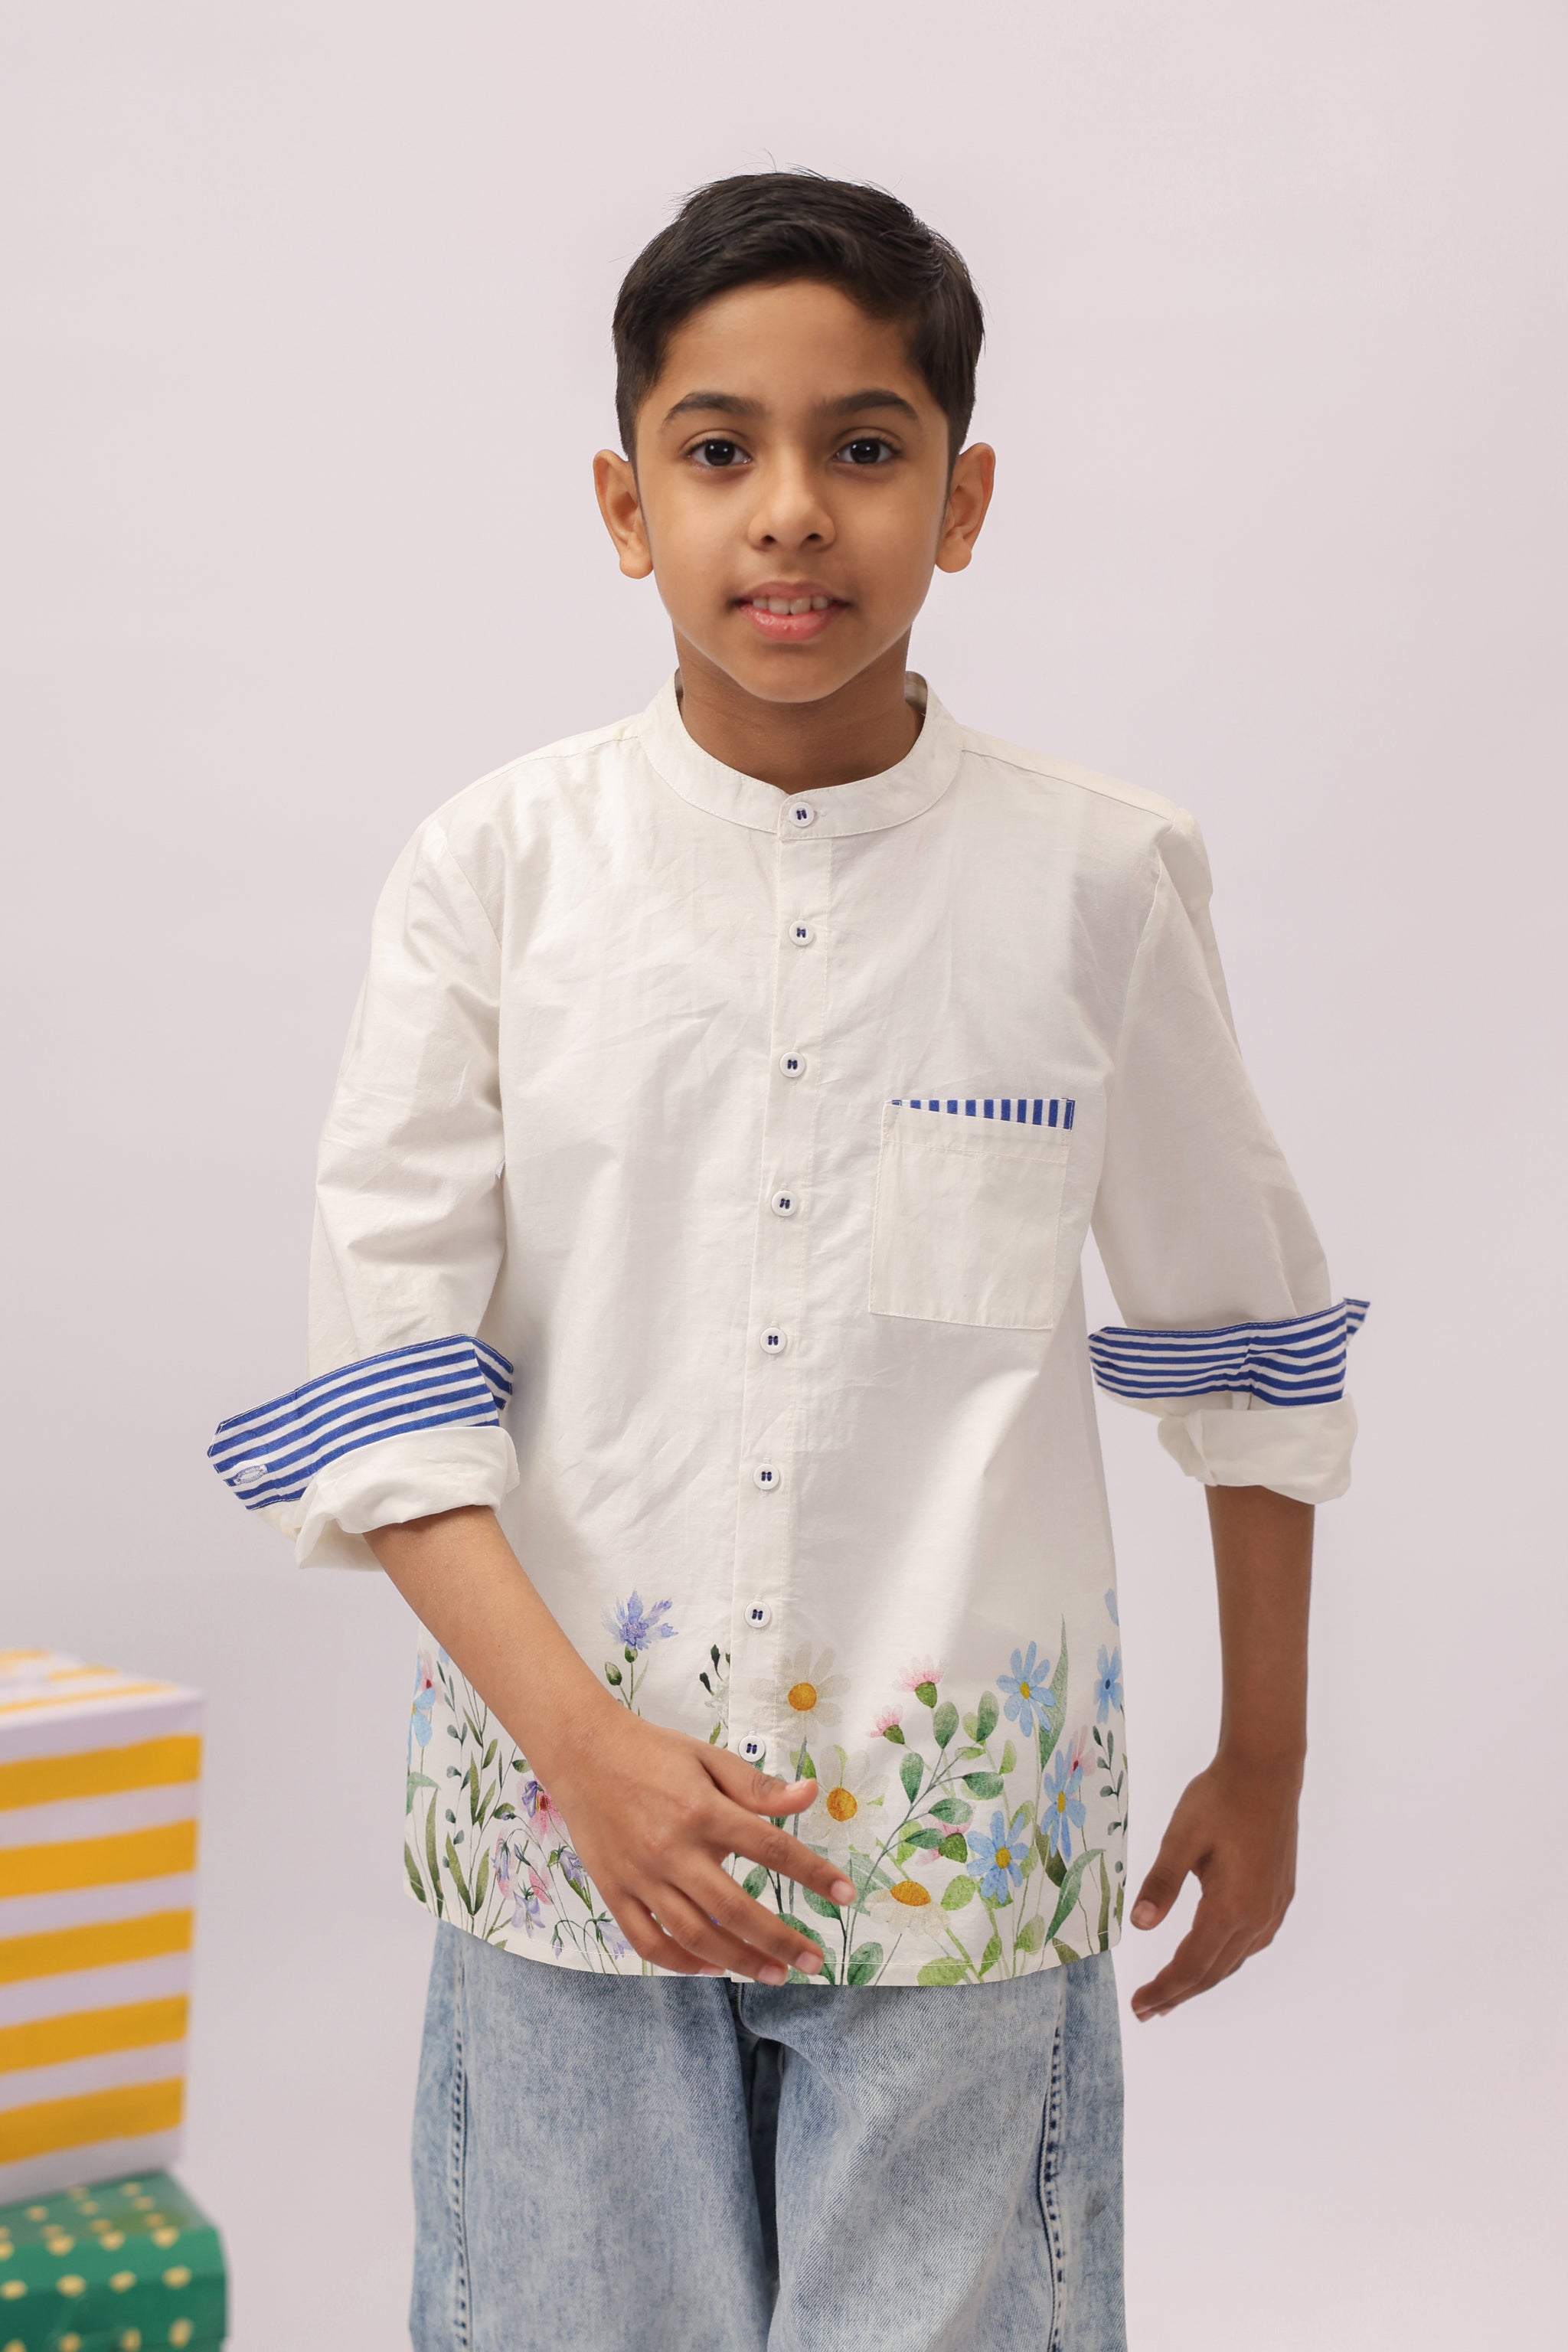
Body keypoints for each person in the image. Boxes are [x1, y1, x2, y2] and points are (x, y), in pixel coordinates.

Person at [207, 170, 1367, 2352]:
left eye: (866, 445)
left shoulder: (1102, 880)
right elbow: (387, 1379)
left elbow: (1245, 1342)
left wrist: (1271, 1757)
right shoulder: (494, 873)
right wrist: (580, 1749)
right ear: (624, 505)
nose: (793, 513)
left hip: (959, 1876)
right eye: (719, 448)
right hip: (564, 1858)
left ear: (964, 497)